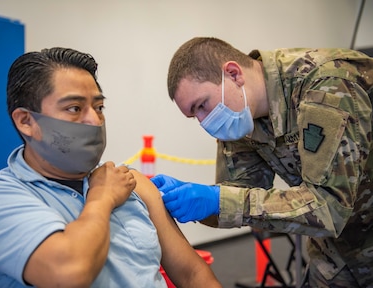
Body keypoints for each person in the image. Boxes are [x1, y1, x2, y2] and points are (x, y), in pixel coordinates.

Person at [0, 47, 222, 288]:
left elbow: (192, 274)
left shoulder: (131, 183)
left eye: (99, 107)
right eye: (74, 108)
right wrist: (102, 198)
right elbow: (70, 272)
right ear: (26, 121)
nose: (94, 120)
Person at [151, 37, 373, 287]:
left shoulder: (325, 86)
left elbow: (328, 207)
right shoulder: (240, 117)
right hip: (338, 251)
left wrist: (217, 200)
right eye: (195, 116)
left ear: (233, 74)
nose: (205, 122)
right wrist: (183, 199)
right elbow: (238, 196)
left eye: (202, 105)